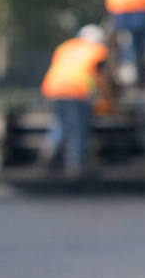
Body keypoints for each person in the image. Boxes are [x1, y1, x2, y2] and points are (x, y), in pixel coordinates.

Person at [40, 24, 111, 179]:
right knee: (78, 129)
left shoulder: (66, 47)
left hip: (52, 88)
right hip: (76, 91)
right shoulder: (98, 50)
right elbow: (101, 78)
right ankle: (76, 166)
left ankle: (49, 148)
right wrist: (107, 96)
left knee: (61, 122)